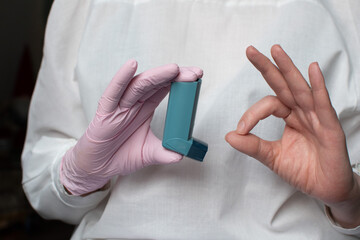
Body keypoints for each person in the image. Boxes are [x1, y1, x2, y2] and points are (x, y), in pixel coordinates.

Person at [21, 0, 360, 239]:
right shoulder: (83, 6)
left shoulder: (343, 8)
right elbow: (43, 186)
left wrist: (349, 198)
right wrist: (77, 175)